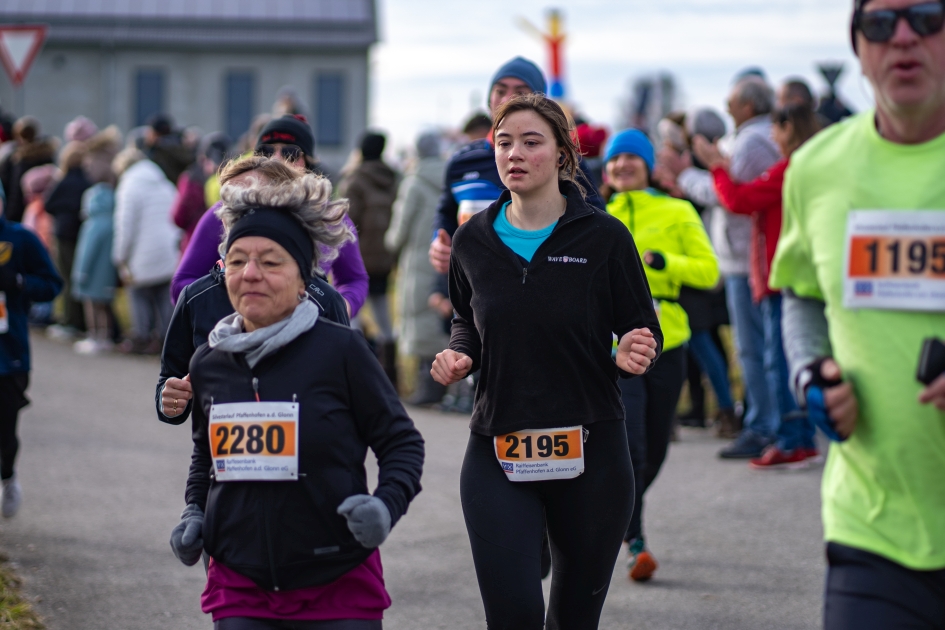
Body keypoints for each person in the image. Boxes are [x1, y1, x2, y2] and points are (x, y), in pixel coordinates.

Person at [432, 93, 660, 629]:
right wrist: (460, 354)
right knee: (513, 617)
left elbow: (641, 327)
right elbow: (467, 319)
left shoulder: (604, 237)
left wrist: (633, 353)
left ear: (562, 155)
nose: (514, 153)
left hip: (593, 452)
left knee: (572, 621)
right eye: (504, 142)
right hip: (498, 450)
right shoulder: (473, 240)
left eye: (531, 142)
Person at [169, 173, 424, 630]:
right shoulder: (209, 362)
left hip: (337, 576)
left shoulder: (342, 351)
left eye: (270, 261)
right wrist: (193, 510)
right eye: (238, 259)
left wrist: (385, 505)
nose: (251, 274)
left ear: (304, 275)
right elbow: (205, 457)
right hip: (238, 577)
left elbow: (401, 442)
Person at [770, 0, 945, 626]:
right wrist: (810, 373)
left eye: (927, 17)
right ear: (858, 46)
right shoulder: (815, 170)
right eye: (880, 23)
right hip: (871, 528)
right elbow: (802, 296)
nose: (903, 36)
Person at [604, 128, 720, 581]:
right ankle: (635, 541)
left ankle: (617, 513)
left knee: (653, 452)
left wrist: (664, 263)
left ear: (648, 165)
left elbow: (709, 270)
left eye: (632, 158)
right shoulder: (595, 214)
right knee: (630, 449)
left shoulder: (677, 209)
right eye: (615, 160)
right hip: (615, 350)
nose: (622, 166)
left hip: (668, 342)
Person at [156, 156, 350, 425]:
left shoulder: (323, 300)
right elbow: (171, 381)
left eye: (248, 198)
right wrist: (171, 402)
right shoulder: (196, 298)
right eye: (229, 202)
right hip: (224, 464)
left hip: (308, 464)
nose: (236, 210)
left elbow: (353, 401)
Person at [694, 102, 822, 469]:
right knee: (784, 357)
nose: (772, 139)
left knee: (778, 361)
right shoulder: (805, 168)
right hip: (786, 275)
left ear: (789, 129)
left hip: (781, 277)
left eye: (777, 131)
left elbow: (740, 200)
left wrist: (717, 167)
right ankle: (797, 436)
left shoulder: (791, 169)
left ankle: (794, 440)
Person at [172, 115, 369, 317]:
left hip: (310, 336)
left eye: (290, 152)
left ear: (308, 160)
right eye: (265, 151)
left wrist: (342, 307)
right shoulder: (227, 211)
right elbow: (184, 282)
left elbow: (355, 279)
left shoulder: (328, 216)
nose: (276, 159)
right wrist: (229, 301)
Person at [428, 56, 604, 276]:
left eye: (520, 93)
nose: (508, 99)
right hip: (477, 294)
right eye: (500, 91)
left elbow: (595, 223)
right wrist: (439, 241)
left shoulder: (565, 161)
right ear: (489, 99)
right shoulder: (461, 162)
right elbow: (446, 214)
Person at [0, 180, 63, 518]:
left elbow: (53, 284)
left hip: (8, 357)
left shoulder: (19, 239)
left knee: (5, 432)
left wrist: (20, 283)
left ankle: (7, 476)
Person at [384, 132, 448, 406]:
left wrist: (390, 242)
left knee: (418, 313)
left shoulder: (414, 182)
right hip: (446, 254)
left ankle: (426, 385)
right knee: (438, 316)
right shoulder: (450, 178)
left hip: (418, 259)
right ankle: (443, 384)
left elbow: (397, 234)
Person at [340, 132, 399, 385]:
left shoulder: (355, 180)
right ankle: (391, 376)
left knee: (352, 315)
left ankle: (356, 377)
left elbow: (346, 223)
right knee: (385, 317)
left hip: (358, 260)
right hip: (385, 258)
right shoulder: (394, 179)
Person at [112, 147, 180, 354]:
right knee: (164, 298)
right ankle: (165, 340)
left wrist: (119, 256)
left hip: (142, 253)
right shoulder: (163, 181)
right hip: (168, 250)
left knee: (139, 295)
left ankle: (141, 337)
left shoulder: (128, 185)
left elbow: (125, 225)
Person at [71, 127, 122, 355]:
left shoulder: (92, 224)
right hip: (106, 272)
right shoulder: (112, 218)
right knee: (105, 304)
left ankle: (95, 336)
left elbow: (86, 251)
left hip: (90, 272)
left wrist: (80, 271)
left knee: (92, 304)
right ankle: (107, 337)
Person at [45, 138, 94, 339]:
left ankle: (70, 320)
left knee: (66, 277)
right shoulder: (87, 181)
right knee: (81, 277)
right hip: (81, 232)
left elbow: (48, 204)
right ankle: (82, 321)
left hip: (64, 233)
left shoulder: (63, 180)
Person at [171, 132, 230, 254]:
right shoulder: (235, 178)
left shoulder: (191, 178)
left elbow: (178, 218)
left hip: (194, 245)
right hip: (225, 245)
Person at [0, 117, 56, 224]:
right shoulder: (47, 155)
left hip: (21, 214)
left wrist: (9, 217)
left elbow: (14, 192)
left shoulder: (18, 160)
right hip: (44, 214)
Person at [144, 113, 195, 185]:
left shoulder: (164, 148)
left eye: (149, 131)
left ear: (157, 133)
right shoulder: (176, 143)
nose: (146, 135)